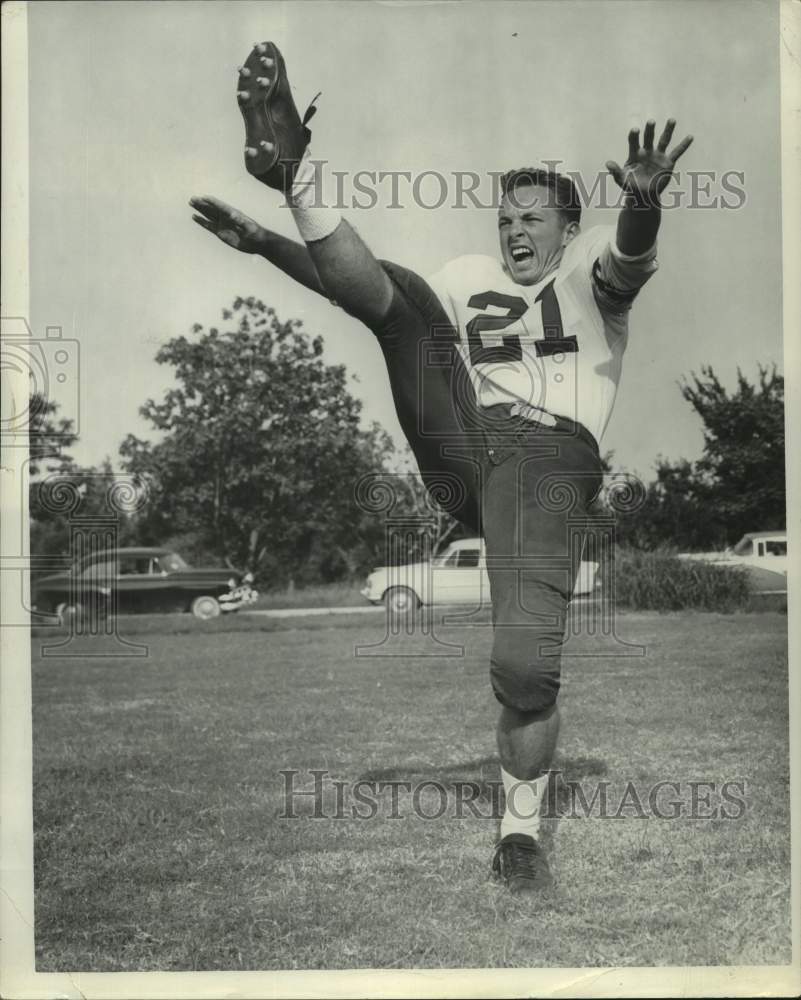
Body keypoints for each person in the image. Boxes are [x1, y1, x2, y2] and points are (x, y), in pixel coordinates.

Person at [189, 40, 693, 892]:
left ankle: (520, 837)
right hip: (464, 442)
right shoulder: (470, 276)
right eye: (505, 219)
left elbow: (629, 258)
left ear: (568, 227)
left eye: (532, 219)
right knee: (412, 304)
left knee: (527, 668)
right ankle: (292, 169)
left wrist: (642, 202)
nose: (514, 232)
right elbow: (356, 289)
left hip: (546, 461)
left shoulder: (588, 271)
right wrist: (269, 241)